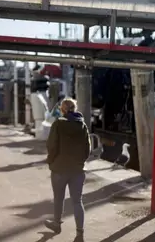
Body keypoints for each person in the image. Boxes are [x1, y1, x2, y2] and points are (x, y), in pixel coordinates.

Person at [44, 97, 91, 240]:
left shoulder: (58, 124)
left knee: (58, 198)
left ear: (62, 110)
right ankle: (80, 233)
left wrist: (51, 161)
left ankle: (57, 224)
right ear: (74, 109)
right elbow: (87, 149)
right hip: (77, 170)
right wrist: (79, 162)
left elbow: (51, 146)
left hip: (59, 168)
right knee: (77, 201)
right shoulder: (82, 125)